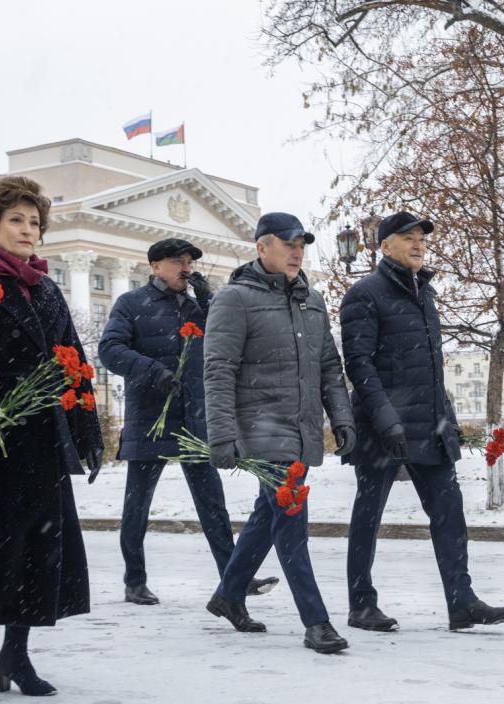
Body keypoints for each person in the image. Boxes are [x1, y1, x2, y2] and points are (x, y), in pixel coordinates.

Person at [0, 176, 103, 697]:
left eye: (34, 222)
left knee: (36, 553)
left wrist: (87, 429)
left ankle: (16, 655)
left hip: (39, 444)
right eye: (16, 220)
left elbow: (73, 364)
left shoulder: (46, 287)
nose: (28, 230)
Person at [340, 211, 504, 633]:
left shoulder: (425, 293)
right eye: (408, 238)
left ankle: (462, 602)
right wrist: (386, 420)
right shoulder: (365, 294)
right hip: (382, 427)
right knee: (369, 514)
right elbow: (359, 364)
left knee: (449, 512)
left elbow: (432, 367)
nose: (418, 244)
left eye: (422, 237)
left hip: (430, 424)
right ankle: (361, 604)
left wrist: (447, 418)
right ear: (384, 246)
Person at [203, 212, 356, 654]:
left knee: (268, 516)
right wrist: (222, 435)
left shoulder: (312, 300)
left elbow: (329, 366)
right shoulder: (234, 300)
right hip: (262, 428)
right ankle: (317, 622)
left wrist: (341, 417)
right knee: (291, 522)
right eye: (287, 243)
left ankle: (229, 595)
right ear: (261, 247)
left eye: (301, 245)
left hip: (302, 427)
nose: (296, 252)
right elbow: (218, 370)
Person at [98, 238, 277, 605]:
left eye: (189, 262)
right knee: (137, 505)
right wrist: (153, 372)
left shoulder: (198, 308)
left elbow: (228, 342)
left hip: (195, 420)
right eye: (177, 261)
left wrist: (211, 300)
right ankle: (135, 581)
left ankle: (234, 579)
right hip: (152, 418)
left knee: (213, 504)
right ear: (154, 266)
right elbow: (110, 350)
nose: (185, 268)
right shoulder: (131, 304)